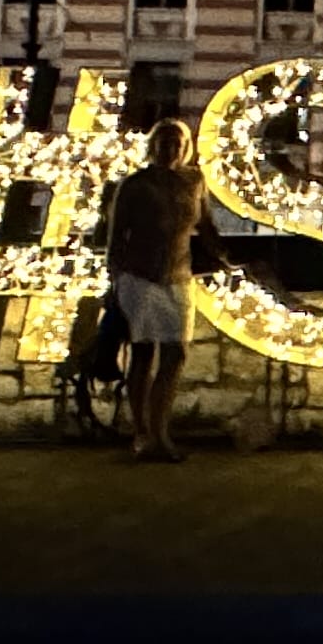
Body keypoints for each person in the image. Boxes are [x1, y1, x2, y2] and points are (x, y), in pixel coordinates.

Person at [105, 119, 212, 462]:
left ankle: (160, 430)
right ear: (153, 146)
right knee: (143, 353)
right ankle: (144, 433)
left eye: (177, 143)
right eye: (164, 143)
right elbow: (116, 236)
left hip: (178, 275)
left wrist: (227, 256)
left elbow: (206, 226)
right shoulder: (134, 185)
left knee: (175, 353)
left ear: (185, 147)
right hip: (139, 277)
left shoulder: (194, 182)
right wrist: (115, 280)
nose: (171, 149)